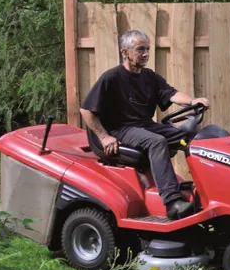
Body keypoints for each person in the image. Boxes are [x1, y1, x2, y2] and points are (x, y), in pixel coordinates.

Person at [80, 29, 210, 220]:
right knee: (156, 142)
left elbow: (171, 94)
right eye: (140, 49)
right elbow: (86, 110)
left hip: (145, 125)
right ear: (125, 52)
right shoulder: (112, 78)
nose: (146, 54)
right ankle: (172, 203)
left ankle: (208, 191)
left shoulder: (149, 77)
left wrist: (192, 101)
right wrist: (104, 137)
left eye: (147, 49)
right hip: (121, 129)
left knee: (192, 138)